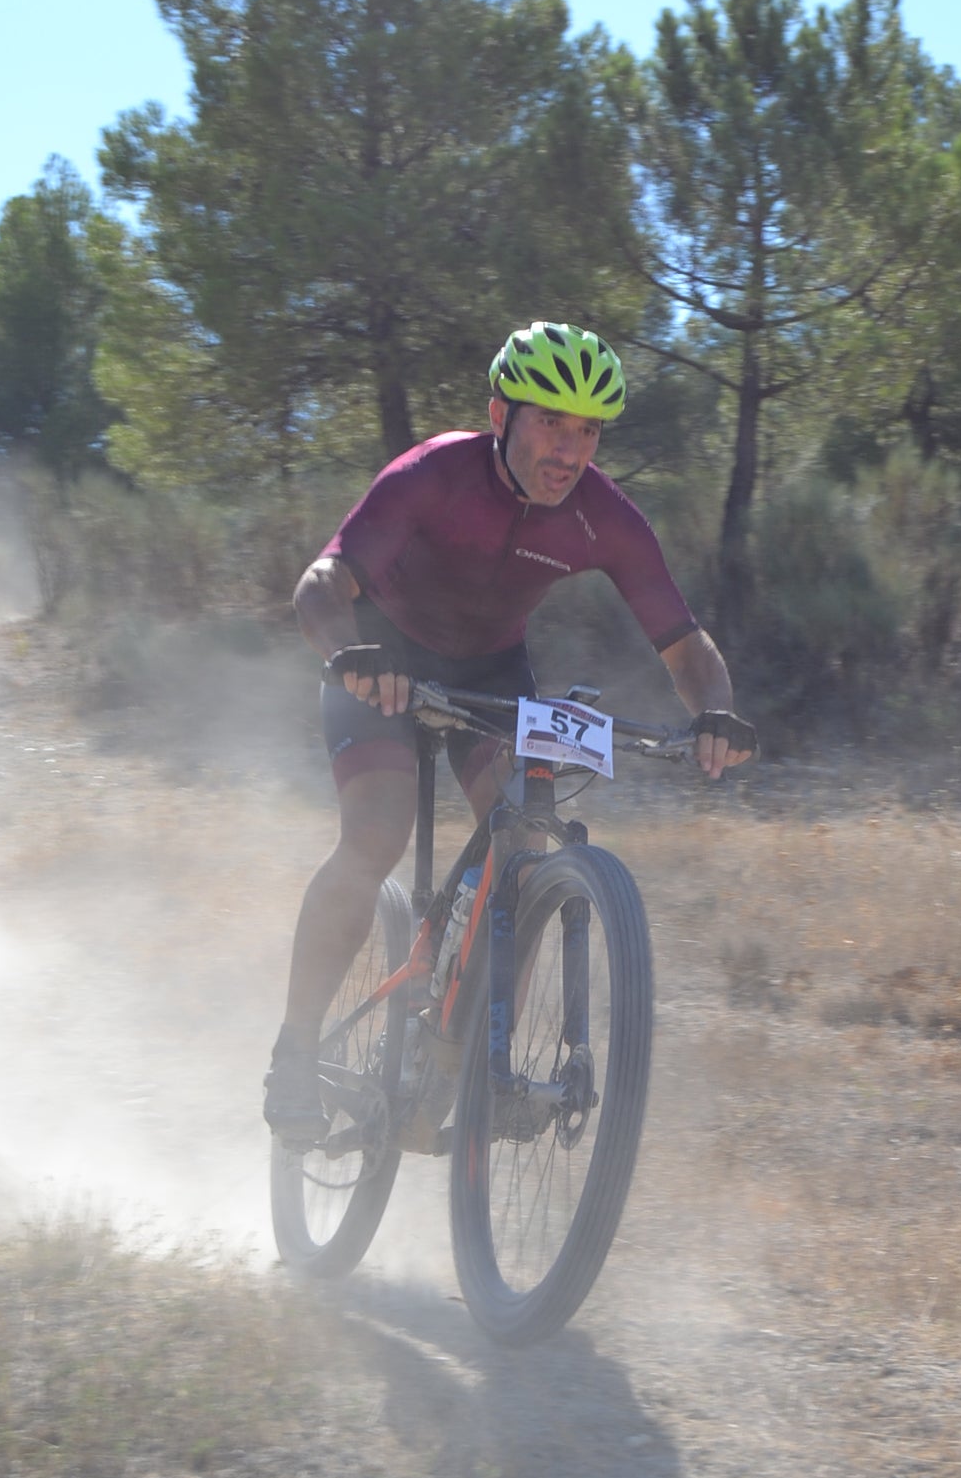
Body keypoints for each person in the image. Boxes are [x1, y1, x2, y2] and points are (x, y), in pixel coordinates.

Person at [264, 320, 756, 1143]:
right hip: (382, 658)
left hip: (490, 673)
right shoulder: (435, 473)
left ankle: (475, 1064)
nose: (570, 450)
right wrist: (351, 651)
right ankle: (295, 1050)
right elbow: (323, 581)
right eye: (550, 423)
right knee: (380, 832)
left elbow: (682, 638)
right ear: (500, 415)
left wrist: (716, 707)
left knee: (529, 844)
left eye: (588, 431)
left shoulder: (605, 516)